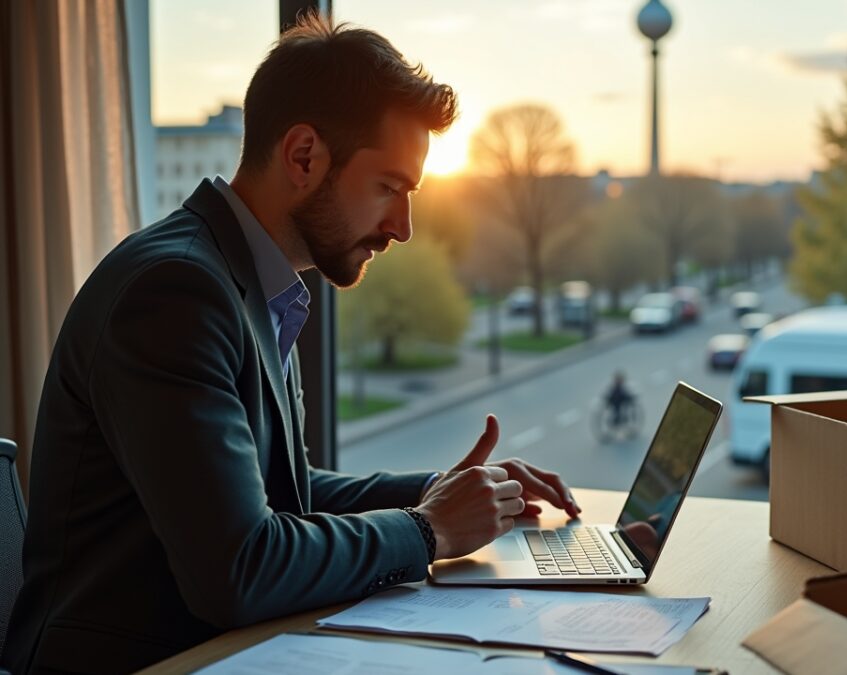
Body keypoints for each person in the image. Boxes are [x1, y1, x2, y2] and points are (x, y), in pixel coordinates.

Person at [2, 15, 580, 674]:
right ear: (304, 156)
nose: (404, 226)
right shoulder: (174, 294)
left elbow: (285, 489)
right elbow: (240, 568)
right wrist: (431, 528)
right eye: (388, 187)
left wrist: (444, 489)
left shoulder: (249, 281)